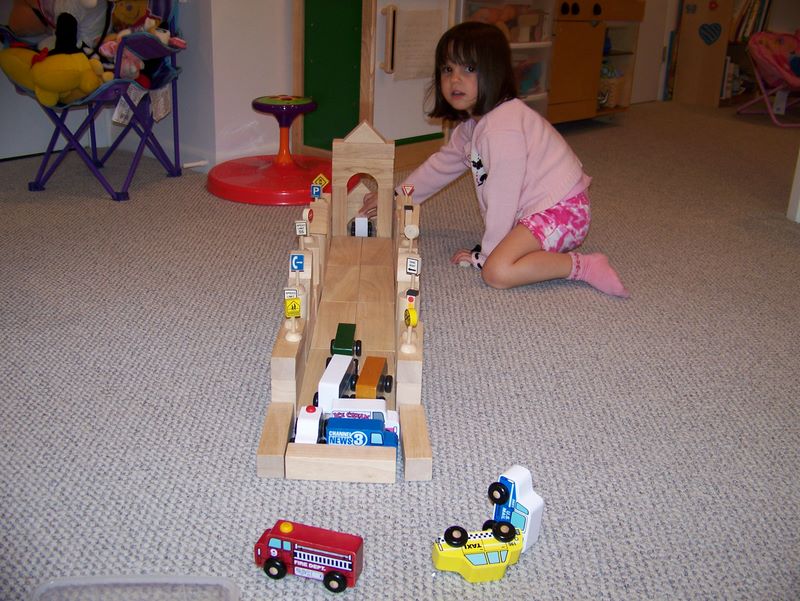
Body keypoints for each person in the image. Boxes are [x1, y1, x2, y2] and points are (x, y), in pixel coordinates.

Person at [359, 21, 629, 298]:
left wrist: (487, 254)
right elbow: (440, 167)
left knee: (496, 272)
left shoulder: (502, 128)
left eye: (469, 69)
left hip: (563, 212)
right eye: (447, 69)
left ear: (494, 72)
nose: (455, 79)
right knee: (501, 261)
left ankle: (583, 266)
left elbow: (502, 196)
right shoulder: (473, 125)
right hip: (541, 210)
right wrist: (396, 197)